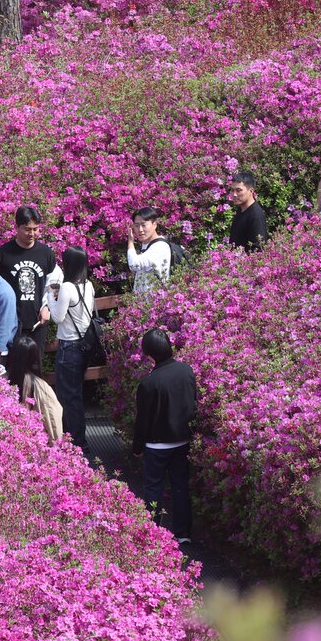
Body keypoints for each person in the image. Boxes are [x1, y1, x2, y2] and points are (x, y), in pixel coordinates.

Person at [132, 329, 198, 543]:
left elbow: (142, 420)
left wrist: (137, 448)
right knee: (180, 487)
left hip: (157, 446)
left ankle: (153, 534)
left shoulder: (149, 383)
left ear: (149, 354)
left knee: (154, 488)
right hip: (182, 441)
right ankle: (183, 534)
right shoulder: (186, 371)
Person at [47, 245, 95, 449]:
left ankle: (76, 442)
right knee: (75, 395)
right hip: (84, 346)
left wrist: (50, 296)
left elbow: (57, 318)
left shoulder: (67, 287)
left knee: (68, 397)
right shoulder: (89, 285)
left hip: (68, 348)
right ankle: (76, 440)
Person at [0, 206, 57, 352]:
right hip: (11, 323)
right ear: (16, 227)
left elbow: (54, 283)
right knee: (13, 370)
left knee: (35, 368)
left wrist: (47, 307)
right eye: (27, 229)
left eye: (35, 229)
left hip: (37, 323)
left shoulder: (46, 253)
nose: (32, 233)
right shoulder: (3, 253)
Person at [6, 335, 63, 443]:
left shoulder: (2, 381)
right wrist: (57, 446)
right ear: (35, 358)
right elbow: (52, 417)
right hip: (34, 442)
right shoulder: (41, 386)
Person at [124, 207, 173, 294]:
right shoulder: (146, 244)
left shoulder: (160, 246)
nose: (140, 230)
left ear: (154, 224)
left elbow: (134, 264)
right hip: (143, 304)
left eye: (143, 225)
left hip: (156, 304)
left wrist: (130, 241)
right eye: (136, 225)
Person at [227, 171, 269, 253]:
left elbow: (258, 250)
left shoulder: (255, 215)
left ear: (251, 191)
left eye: (238, 190)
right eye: (232, 190)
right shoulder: (241, 209)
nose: (234, 194)